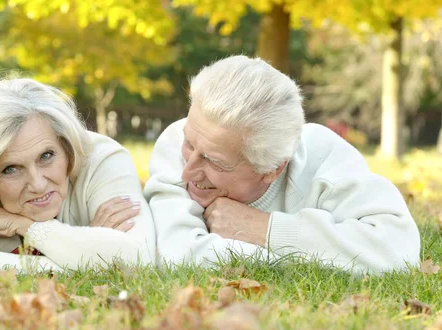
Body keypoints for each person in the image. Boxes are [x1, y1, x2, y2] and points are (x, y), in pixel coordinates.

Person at [143, 55, 420, 274]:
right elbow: (178, 255)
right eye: (190, 144)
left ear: (272, 169)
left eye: (214, 161)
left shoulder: (323, 157)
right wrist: (325, 255)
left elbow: (399, 251)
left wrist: (266, 230)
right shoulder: (173, 144)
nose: (187, 170)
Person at [0, 77, 155, 272]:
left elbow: (138, 259)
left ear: (66, 146)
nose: (38, 184)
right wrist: (85, 254)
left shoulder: (102, 158)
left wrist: (24, 225)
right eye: (10, 169)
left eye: (46, 156)